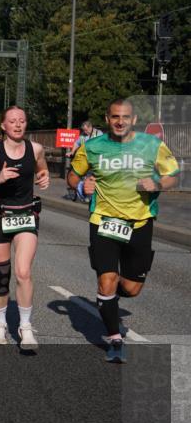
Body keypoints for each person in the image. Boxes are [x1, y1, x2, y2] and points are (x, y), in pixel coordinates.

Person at [66, 98, 179, 363]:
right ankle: (115, 337)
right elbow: (72, 177)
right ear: (107, 119)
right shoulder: (92, 147)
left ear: (134, 120)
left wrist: (157, 183)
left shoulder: (151, 145)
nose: (120, 121)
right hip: (103, 221)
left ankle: (109, 298)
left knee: (131, 288)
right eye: (115, 117)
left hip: (139, 223)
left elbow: (173, 175)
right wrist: (82, 187)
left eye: (125, 117)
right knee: (106, 278)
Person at [0, 106, 50, 349]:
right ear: (3, 126)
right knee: (2, 275)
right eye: (12, 121)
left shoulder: (35, 149)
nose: (18, 125)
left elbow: (42, 167)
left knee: (23, 272)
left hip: (26, 214)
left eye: (22, 121)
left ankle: (25, 327)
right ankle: (1, 322)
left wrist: (44, 175)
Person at [64, 120, 103, 202]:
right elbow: (76, 143)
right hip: (84, 159)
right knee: (76, 175)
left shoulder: (98, 134)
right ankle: (83, 193)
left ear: (90, 127)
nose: (84, 132)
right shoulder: (83, 135)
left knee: (91, 176)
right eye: (83, 130)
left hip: (94, 159)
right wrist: (72, 151)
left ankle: (92, 196)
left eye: (85, 130)